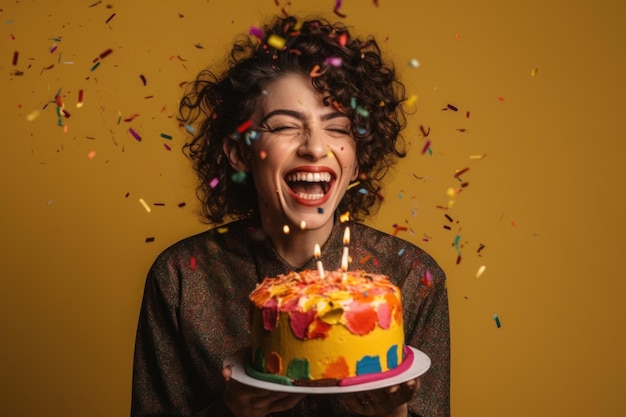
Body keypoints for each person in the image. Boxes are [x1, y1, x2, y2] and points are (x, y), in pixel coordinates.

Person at [131, 15, 450, 417]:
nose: (315, 148)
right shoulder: (180, 277)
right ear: (239, 152)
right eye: (285, 126)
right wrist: (231, 412)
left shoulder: (413, 277)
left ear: (357, 158)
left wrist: (392, 415)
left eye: (338, 128)